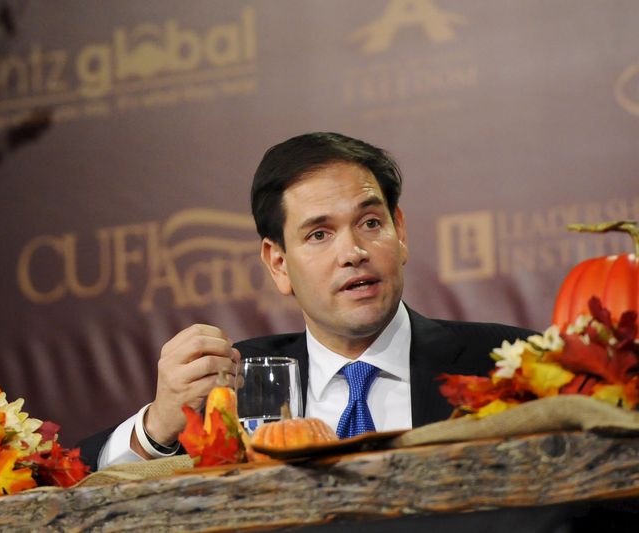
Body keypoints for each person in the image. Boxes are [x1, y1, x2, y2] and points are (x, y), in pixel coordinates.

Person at [77, 132, 535, 470]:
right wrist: (158, 427)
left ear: (401, 232)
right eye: (319, 234)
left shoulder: (507, 365)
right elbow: (77, 486)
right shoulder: (237, 384)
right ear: (278, 264)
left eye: (371, 223)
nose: (353, 252)